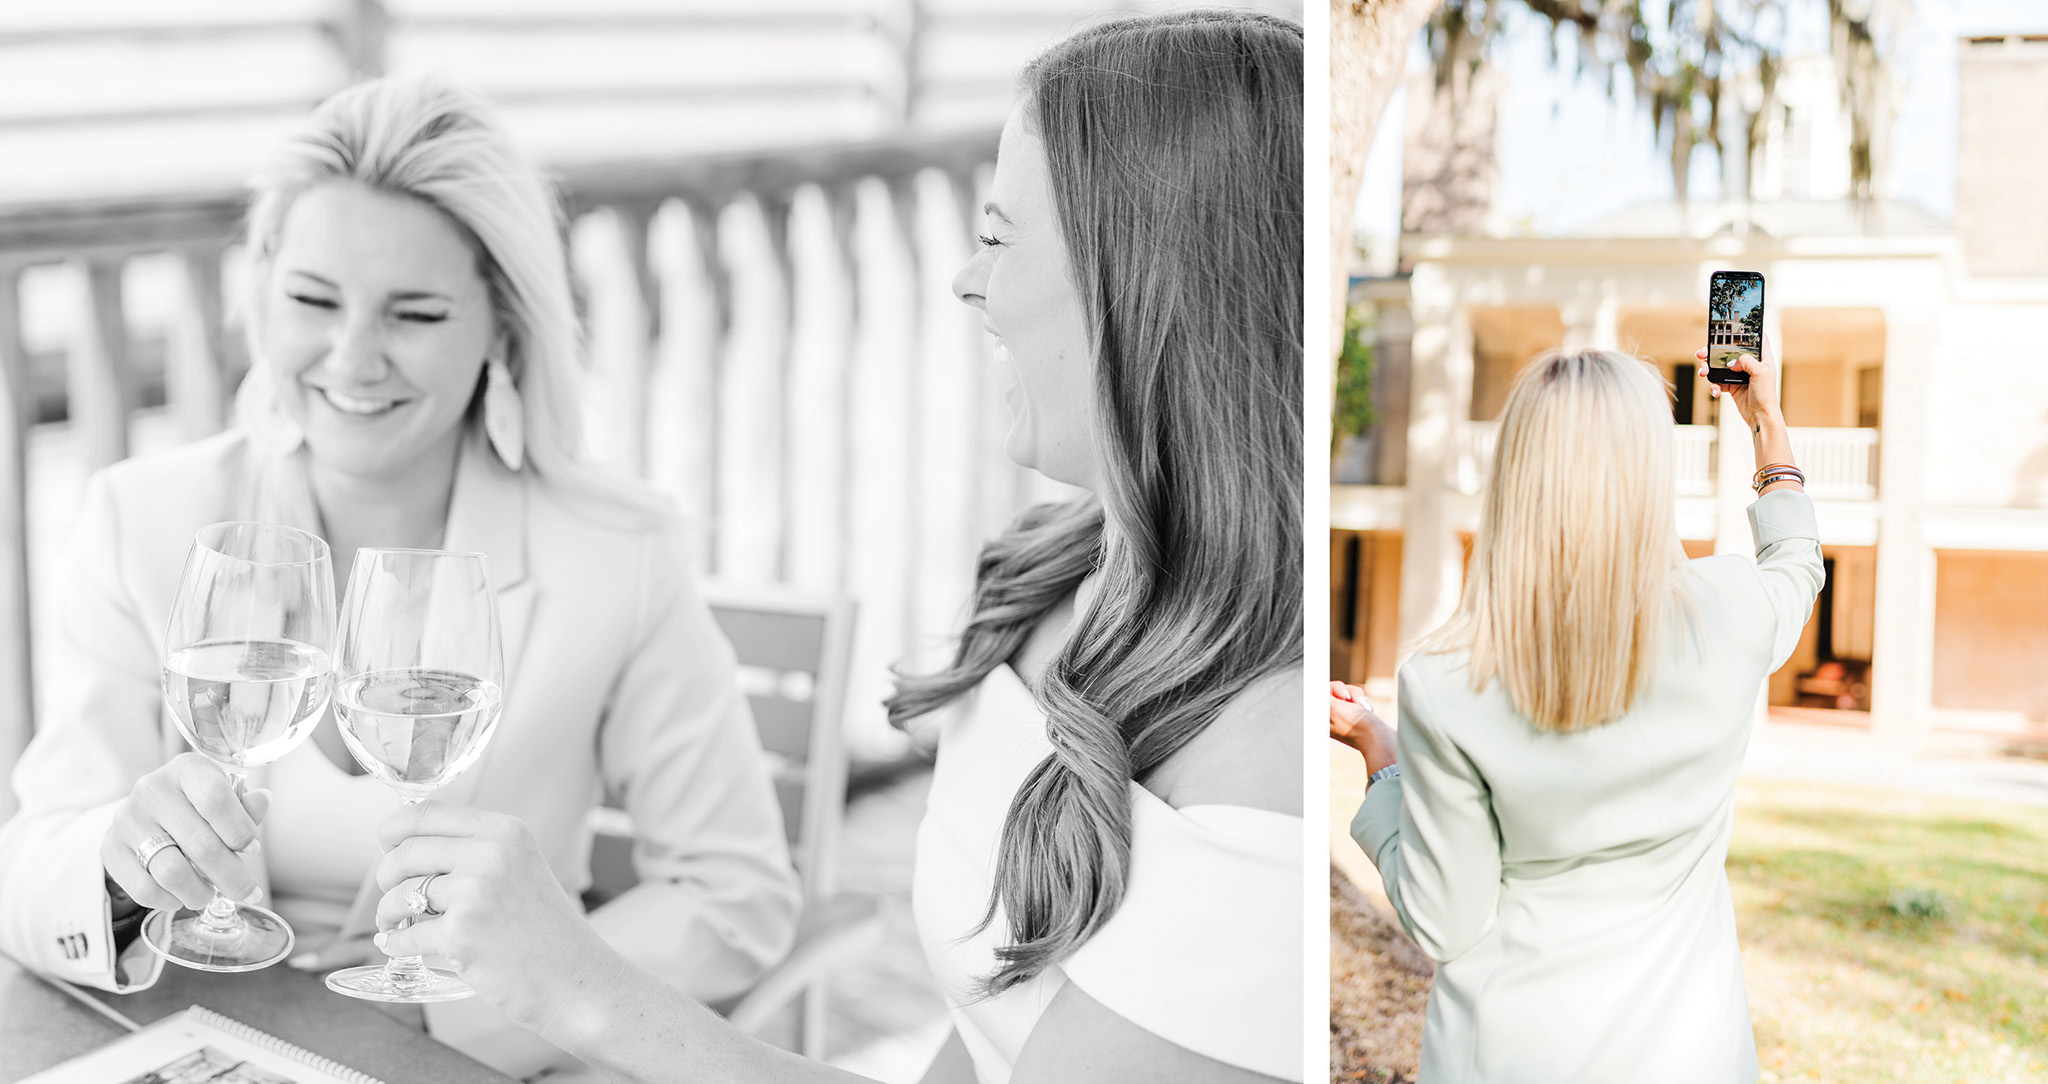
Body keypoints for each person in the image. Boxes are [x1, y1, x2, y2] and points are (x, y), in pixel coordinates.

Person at [361, 11, 1306, 1084]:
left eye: (997, 237)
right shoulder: (1052, 579)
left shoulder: (1267, 763)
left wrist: (574, 984)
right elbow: (995, 1029)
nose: (966, 280)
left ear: (1144, 281)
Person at [0, 75, 800, 1079]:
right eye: (311, 300)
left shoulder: (617, 552)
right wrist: (118, 869)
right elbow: (28, 869)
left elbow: (736, 895)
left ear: (500, 332)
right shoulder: (144, 520)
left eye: (413, 314)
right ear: (260, 296)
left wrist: (470, 1006)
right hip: (201, 1038)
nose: (352, 358)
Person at [1331, 339, 1824, 1083]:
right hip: (1689, 1054)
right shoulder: (1731, 612)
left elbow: (1446, 920)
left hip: (1507, 1053)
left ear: (1519, 476)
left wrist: (1380, 753)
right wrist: (1766, 422)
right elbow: (1796, 560)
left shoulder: (1445, 679)